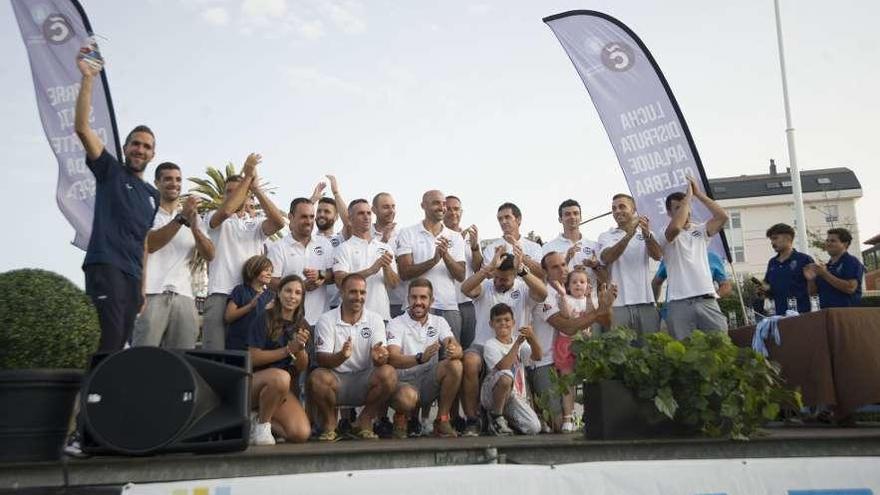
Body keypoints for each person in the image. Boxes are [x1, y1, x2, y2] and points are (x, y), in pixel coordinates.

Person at [74, 47, 160, 351]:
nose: (140, 149)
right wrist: (88, 79)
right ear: (125, 148)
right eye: (135, 144)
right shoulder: (110, 170)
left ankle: (100, 397)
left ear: (153, 154)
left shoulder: (152, 196)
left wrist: (142, 285)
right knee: (107, 343)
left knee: (120, 345)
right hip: (105, 267)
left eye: (146, 146)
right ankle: (86, 399)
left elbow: (145, 242)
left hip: (132, 277)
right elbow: (82, 128)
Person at [459, 246, 547, 436]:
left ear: (515, 275)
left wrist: (523, 270)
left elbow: (543, 294)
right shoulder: (487, 284)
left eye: (504, 279)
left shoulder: (523, 287)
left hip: (514, 346)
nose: (498, 282)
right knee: (470, 361)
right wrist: (487, 269)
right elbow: (465, 289)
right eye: (496, 277)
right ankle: (473, 420)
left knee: (530, 359)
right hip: (482, 345)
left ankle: (527, 415)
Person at [202, 155, 286, 350]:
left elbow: (279, 223)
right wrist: (248, 177)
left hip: (251, 295)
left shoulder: (255, 224)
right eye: (228, 192)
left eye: (238, 191)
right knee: (214, 353)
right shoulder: (212, 219)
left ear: (248, 196)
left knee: (247, 355)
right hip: (220, 294)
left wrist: (255, 187)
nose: (233, 195)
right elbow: (225, 212)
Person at [529, 252, 615, 432]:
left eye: (563, 264)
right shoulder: (543, 294)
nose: (563, 269)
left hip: (574, 357)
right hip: (545, 362)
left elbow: (606, 322)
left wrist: (605, 306)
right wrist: (599, 312)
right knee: (559, 424)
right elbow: (568, 327)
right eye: (555, 267)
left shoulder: (576, 291)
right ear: (545, 272)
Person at [133, 162, 214, 348]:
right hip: (152, 294)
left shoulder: (193, 218)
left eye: (178, 179)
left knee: (181, 361)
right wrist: (181, 218)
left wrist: (195, 228)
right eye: (168, 179)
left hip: (184, 297)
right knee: (144, 356)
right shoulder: (147, 214)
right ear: (156, 183)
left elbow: (210, 254)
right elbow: (150, 245)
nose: (174, 183)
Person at [308, 274, 397, 441]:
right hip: (336, 381)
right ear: (341, 293)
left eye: (362, 293)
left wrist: (379, 358)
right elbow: (321, 359)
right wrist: (341, 356)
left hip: (364, 380)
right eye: (353, 292)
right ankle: (330, 423)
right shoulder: (326, 320)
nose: (358, 297)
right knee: (316, 377)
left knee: (389, 373)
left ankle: (364, 420)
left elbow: (380, 358)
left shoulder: (375, 319)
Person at [386, 279, 464, 438]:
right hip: (404, 382)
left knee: (455, 365)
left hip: (428, 381)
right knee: (407, 398)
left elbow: (457, 348)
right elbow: (393, 359)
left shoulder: (439, 321)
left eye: (423, 297)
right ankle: (401, 417)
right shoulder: (395, 323)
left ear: (431, 300)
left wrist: (454, 351)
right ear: (408, 299)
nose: (418, 302)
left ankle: (442, 420)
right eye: (414, 297)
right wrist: (420, 358)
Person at [659, 177, 729, 339]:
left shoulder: (701, 230)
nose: (684, 210)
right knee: (685, 353)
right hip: (679, 303)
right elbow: (676, 227)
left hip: (707, 300)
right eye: (677, 208)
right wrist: (687, 198)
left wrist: (698, 194)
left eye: (686, 207)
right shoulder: (664, 233)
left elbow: (722, 217)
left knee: (721, 346)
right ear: (669, 213)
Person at [246, 275, 311, 445]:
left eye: (298, 293)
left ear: (302, 298)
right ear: (279, 293)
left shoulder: (303, 324)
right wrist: (288, 350)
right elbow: (252, 358)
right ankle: (262, 426)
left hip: (280, 389)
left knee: (300, 434)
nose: (292, 296)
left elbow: (301, 368)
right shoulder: (264, 318)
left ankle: (255, 419)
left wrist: (300, 348)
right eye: (288, 291)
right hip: (253, 383)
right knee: (281, 377)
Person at [396, 190, 467, 339]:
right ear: (423, 205)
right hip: (417, 305)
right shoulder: (407, 232)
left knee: (452, 358)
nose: (442, 207)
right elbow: (404, 272)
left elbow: (461, 275)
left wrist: (445, 256)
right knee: (418, 359)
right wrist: (433, 261)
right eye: (436, 203)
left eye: (443, 204)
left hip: (448, 307)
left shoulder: (455, 237)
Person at [598, 194, 662, 335]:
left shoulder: (647, 233)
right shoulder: (606, 236)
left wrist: (647, 235)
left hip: (646, 303)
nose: (617, 211)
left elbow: (658, 255)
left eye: (622, 207)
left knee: (649, 351)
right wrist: (629, 235)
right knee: (620, 353)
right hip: (618, 305)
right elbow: (607, 257)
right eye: (614, 208)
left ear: (633, 209)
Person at [266, 198, 335, 327]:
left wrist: (320, 275)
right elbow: (271, 281)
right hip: (288, 322)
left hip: (321, 321)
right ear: (291, 217)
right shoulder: (278, 247)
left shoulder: (325, 244)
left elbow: (334, 275)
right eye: (304, 217)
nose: (309, 221)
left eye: (311, 217)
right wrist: (301, 287)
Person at [333, 199, 400, 321]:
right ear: (350, 219)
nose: (366, 217)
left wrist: (387, 267)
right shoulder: (343, 248)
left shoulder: (384, 247)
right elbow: (339, 281)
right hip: (352, 318)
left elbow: (394, 284)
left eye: (369, 213)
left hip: (381, 316)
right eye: (361, 213)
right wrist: (371, 270)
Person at [481, 304, 542, 436]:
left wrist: (532, 338)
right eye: (498, 320)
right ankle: (495, 417)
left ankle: (507, 422)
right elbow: (503, 367)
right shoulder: (490, 344)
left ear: (513, 323)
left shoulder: (519, 342)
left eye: (507, 320)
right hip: (493, 396)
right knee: (506, 376)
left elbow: (538, 356)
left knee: (534, 428)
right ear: (491, 324)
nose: (503, 323)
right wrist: (517, 344)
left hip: (515, 397)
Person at [549, 270, 594, 433]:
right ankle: (568, 418)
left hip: (584, 344)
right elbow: (567, 315)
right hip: (566, 344)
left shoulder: (590, 300)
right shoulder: (565, 299)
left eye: (582, 282)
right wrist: (562, 295)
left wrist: (589, 297)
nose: (578, 285)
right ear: (567, 285)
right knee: (567, 382)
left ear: (588, 285)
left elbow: (590, 315)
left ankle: (587, 416)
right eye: (574, 282)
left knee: (587, 381)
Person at [443, 195, 482, 350]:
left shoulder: (471, 235)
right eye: (449, 209)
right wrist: (458, 239)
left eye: (457, 209)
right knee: (451, 350)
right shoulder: (440, 235)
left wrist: (474, 246)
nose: (453, 213)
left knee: (468, 347)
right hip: (446, 303)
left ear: (462, 212)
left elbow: (477, 266)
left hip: (468, 301)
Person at [542, 199, 604, 285]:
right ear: (560, 219)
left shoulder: (594, 246)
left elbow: (605, 280)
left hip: (589, 298)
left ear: (581, 217)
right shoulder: (549, 247)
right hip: (560, 298)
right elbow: (545, 279)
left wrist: (595, 266)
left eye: (576, 213)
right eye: (567, 214)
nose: (572, 217)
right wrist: (566, 260)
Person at [311, 174, 350, 308]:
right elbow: (298, 219)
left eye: (327, 212)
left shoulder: (341, 239)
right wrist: (311, 201)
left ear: (336, 216)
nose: (321, 214)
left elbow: (349, 223)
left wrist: (336, 193)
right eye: (319, 211)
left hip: (338, 306)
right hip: (313, 304)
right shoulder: (309, 240)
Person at [481, 202, 545, 279]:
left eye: (507, 217)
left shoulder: (534, 247)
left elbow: (543, 274)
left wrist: (522, 257)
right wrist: (497, 265)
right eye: (500, 219)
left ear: (518, 219)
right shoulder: (491, 248)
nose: (503, 221)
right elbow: (486, 278)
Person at [760, 223, 814, 314]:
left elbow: (814, 291)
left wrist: (811, 280)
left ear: (788, 238)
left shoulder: (804, 259)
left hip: (802, 315)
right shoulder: (772, 263)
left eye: (775, 238)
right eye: (771, 239)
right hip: (780, 317)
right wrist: (763, 290)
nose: (772, 243)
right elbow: (769, 291)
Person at [805, 228, 865, 308]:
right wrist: (811, 280)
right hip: (825, 314)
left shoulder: (851, 262)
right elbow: (813, 295)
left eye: (833, 241)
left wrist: (825, 274)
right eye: (827, 240)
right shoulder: (825, 267)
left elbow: (850, 288)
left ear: (845, 244)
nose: (828, 244)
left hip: (845, 314)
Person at [225, 255, 274, 350]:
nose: (270, 274)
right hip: (237, 346)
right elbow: (228, 317)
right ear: (253, 269)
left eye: (271, 271)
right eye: (266, 270)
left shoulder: (271, 296)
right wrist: (250, 306)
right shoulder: (240, 290)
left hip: (259, 348)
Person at [372, 192, 405, 317]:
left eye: (393, 206)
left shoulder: (403, 235)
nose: (391, 211)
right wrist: (384, 241)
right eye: (386, 207)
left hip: (398, 302)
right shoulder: (365, 233)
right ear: (374, 209)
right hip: (372, 303)